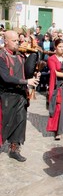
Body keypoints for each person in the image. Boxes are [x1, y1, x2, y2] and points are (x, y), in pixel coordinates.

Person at [0, 30, 40, 162]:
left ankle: (14, 149)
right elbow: (6, 78)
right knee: (4, 122)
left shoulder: (20, 56)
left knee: (20, 121)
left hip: (21, 95)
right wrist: (25, 82)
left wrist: (35, 71)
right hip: (6, 95)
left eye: (18, 41)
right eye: (14, 41)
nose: (17, 43)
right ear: (6, 41)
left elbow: (26, 72)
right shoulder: (1, 56)